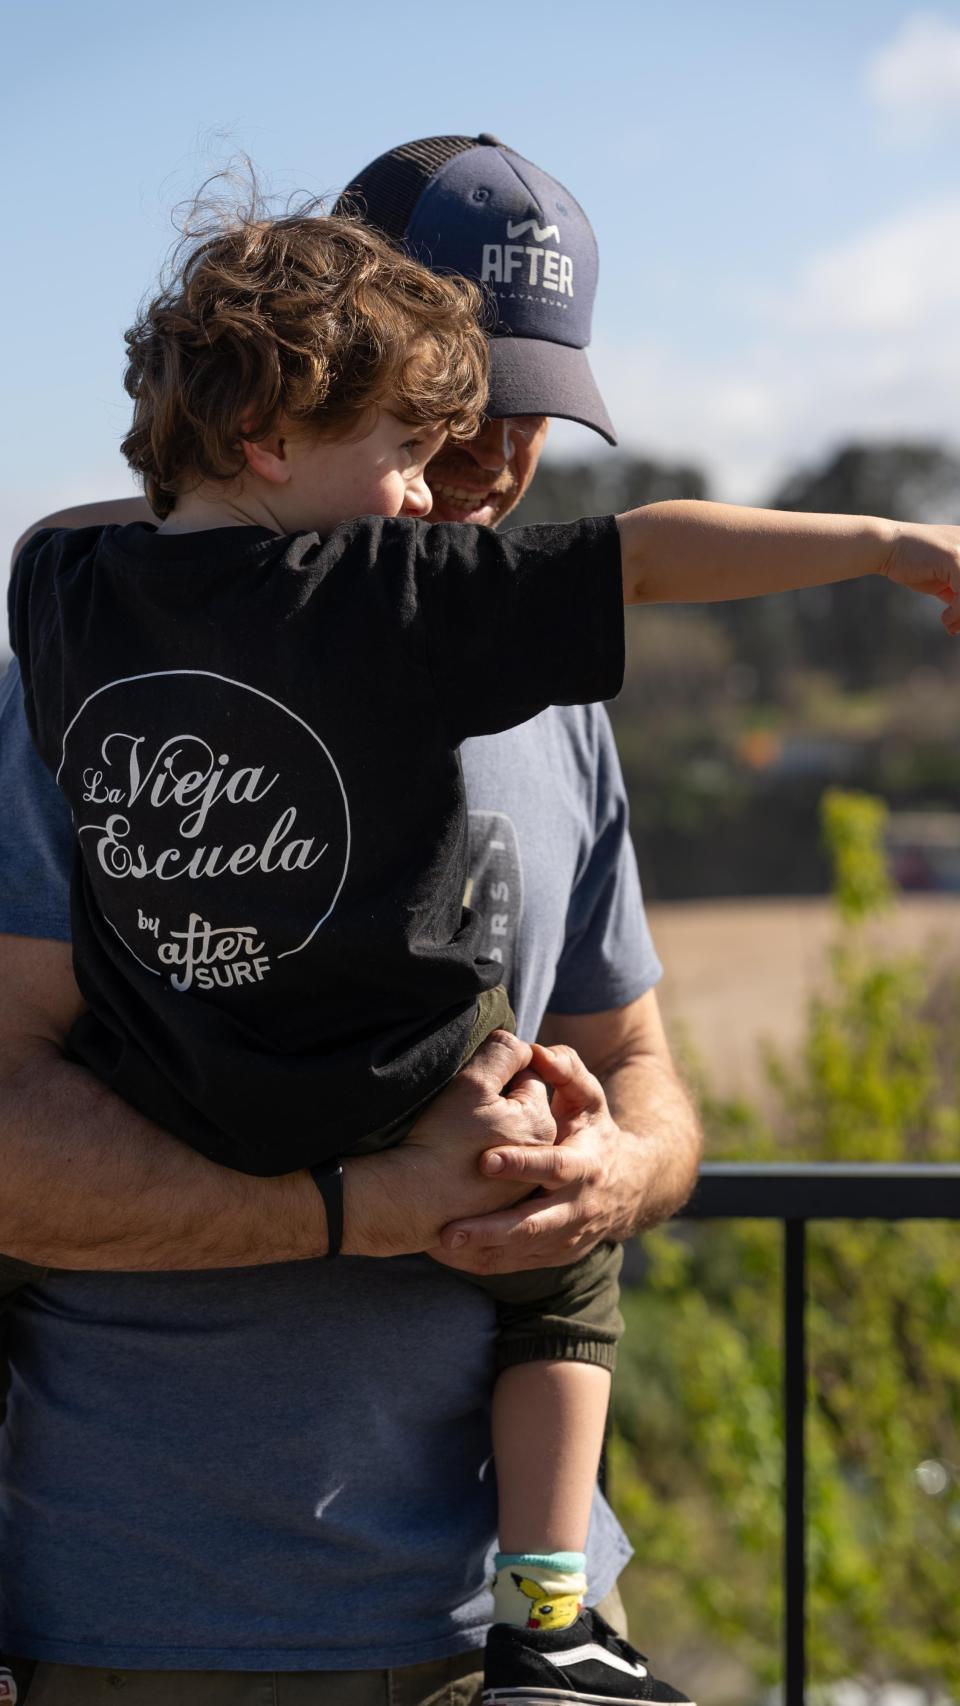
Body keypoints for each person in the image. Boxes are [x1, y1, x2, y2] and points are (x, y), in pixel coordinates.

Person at [3, 135, 954, 1706]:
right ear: (279, 415)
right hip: (164, 1610)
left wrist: (609, 1168)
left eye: (523, 408)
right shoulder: (112, 680)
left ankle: (561, 1613)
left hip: (474, 1646)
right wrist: (366, 1201)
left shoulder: (88, 597)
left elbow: (640, 1075)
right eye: (442, 411)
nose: (489, 455)